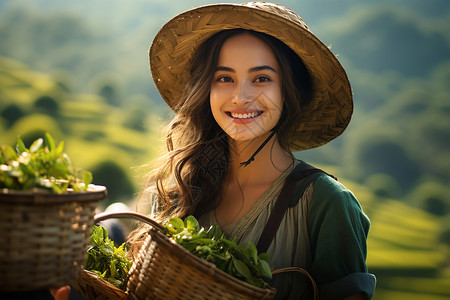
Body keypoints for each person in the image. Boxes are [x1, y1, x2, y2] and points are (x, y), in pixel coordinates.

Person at [53, 2, 375, 299]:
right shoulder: (182, 190)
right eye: (225, 78)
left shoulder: (328, 205)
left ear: (288, 91)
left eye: (261, 78)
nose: (240, 97)